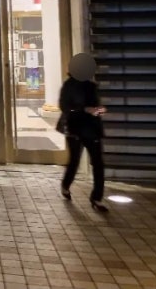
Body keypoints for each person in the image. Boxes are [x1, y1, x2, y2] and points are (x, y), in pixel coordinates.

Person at [59, 52, 108, 212]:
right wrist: (84, 109)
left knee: (98, 163)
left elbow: (96, 105)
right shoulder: (69, 86)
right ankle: (66, 185)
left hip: (92, 128)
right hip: (75, 128)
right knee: (74, 160)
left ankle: (97, 198)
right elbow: (64, 107)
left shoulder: (91, 86)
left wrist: (99, 110)